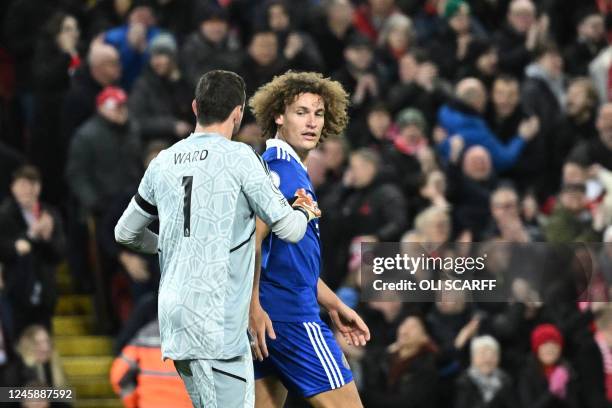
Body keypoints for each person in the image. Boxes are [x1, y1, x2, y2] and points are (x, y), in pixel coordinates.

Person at [113, 69, 319, 408]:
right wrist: (305, 211)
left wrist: (168, 245)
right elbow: (289, 230)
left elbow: (125, 232)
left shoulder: (163, 161)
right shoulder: (240, 158)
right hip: (217, 322)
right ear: (238, 113)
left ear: (196, 107)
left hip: (174, 318)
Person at [248, 71, 370, 407]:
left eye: (317, 113)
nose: (311, 122)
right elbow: (251, 243)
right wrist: (253, 306)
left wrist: (333, 304)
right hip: (292, 319)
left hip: (271, 320)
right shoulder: (279, 171)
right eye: (301, 112)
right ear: (278, 116)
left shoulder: (285, 167)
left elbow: (290, 263)